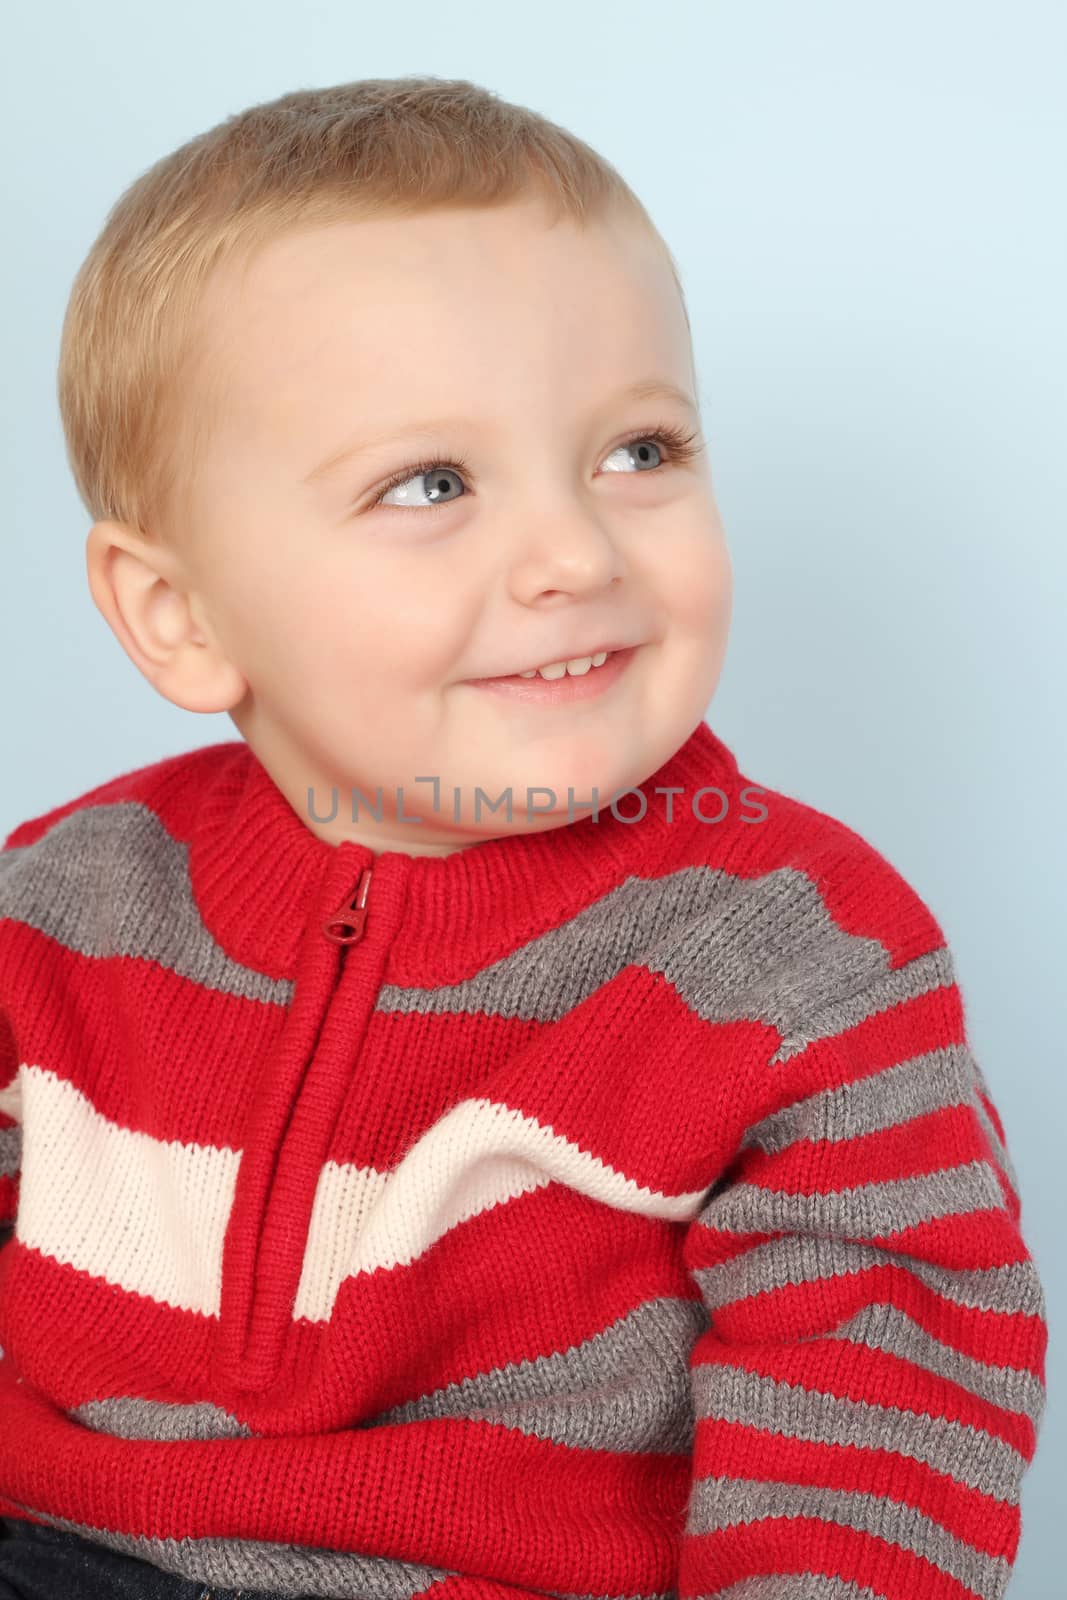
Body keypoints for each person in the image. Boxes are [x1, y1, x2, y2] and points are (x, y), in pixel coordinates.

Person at [0, 75, 1047, 1600]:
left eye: (641, 452)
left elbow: (880, 1380)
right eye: (432, 483)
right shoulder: (61, 909)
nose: (575, 552)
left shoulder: (793, 956)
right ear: (184, 615)